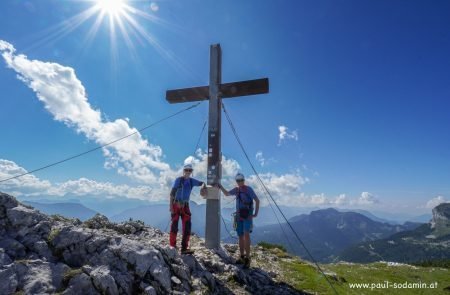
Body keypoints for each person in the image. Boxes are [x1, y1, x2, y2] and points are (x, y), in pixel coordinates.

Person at [218, 173, 260, 268]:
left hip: (247, 216)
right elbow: (227, 193)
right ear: (236, 181)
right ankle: (242, 256)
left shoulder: (248, 189)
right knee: (240, 236)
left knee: (246, 235)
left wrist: (256, 214)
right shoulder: (236, 190)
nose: (240, 182)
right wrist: (220, 186)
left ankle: (247, 258)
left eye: (241, 180)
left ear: (244, 180)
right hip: (239, 216)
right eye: (238, 180)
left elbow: (257, 200)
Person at [169, 163, 205, 254]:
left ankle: (184, 248)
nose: (188, 172)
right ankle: (172, 246)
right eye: (186, 170)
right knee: (174, 225)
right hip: (176, 204)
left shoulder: (192, 181)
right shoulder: (178, 180)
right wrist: (171, 206)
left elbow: (202, 183)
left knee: (187, 226)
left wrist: (204, 186)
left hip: (185, 205)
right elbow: (172, 193)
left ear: (191, 172)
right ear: (183, 171)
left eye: (190, 170)